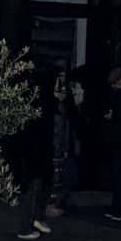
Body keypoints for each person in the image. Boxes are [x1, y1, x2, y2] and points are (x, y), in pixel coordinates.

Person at [8, 70, 57, 238]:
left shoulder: (36, 103)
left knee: (40, 185)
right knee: (36, 187)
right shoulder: (42, 105)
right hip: (37, 151)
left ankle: (35, 219)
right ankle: (29, 224)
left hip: (36, 151)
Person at [97, 66, 121, 221]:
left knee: (117, 173)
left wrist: (113, 115)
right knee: (116, 174)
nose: (114, 85)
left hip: (120, 138)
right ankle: (118, 208)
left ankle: (118, 209)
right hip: (117, 138)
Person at [46, 71, 78, 217]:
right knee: (55, 171)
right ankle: (52, 202)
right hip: (55, 140)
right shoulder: (51, 98)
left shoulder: (67, 96)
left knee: (63, 170)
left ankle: (59, 200)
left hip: (64, 139)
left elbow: (72, 115)